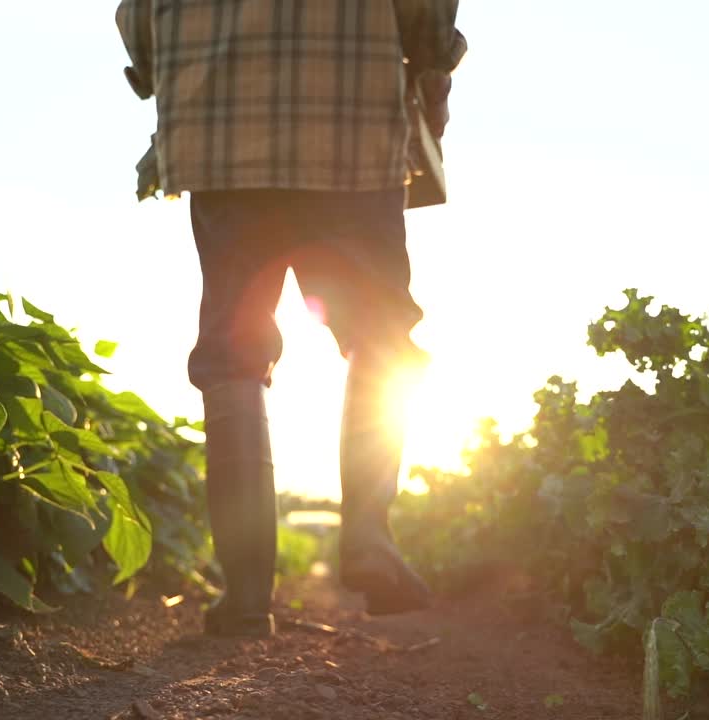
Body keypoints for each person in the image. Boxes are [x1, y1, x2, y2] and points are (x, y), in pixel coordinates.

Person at [116, 0, 466, 637]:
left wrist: (159, 65)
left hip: (220, 130)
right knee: (380, 339)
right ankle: (367, 536)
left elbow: (138, 15)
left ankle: (246, 594)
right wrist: (434, 68)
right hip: (352, 121)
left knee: (232, 354)